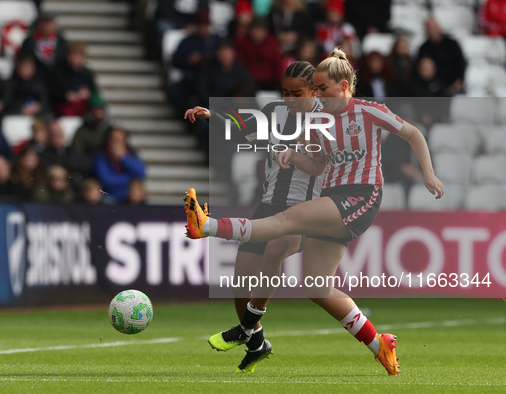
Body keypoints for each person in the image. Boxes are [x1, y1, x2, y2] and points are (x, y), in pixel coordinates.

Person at [183, 48, 445, 376]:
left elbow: (412, 133)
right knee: (315, 286)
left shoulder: (364, 111)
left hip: (353, 197)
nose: (311, 96)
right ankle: (379, 344)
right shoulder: (314, 122)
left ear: (337, 86)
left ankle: (207, 226)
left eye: (316, 89)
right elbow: (314, 161)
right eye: (295, 92)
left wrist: (428, 173)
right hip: (322, 199)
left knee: (281, 230)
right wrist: (292, 155)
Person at [184, 60, 324, 373]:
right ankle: (257, 342)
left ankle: (245, 329)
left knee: (276, 250)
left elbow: (328, 165)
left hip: (306, 209)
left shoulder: (327, 120)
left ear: (314, 90)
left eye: (296, 93)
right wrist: (212, 116)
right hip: (268, 205)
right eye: (285, 92)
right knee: (241, 281)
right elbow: (244, 126)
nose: (290, 99)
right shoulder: (275, 113)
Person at [93, 127, 146, 204]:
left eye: (118, 140)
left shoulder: (131, 154)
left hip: (130, 197)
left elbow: (142, 173)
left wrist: (123, 157)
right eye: (112, 139)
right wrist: (131, 178)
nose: (115, 143)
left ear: (125, 141)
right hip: (109, 196)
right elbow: (107, 180)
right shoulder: (101, 155)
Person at [417, 18, 466, 96]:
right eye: (428, 29)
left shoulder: (452, 44)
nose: (431, 31)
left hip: (452, 85)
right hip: (432, 86)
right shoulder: (424, 48)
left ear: (438, 27)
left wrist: (459, 81)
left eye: (433, 27)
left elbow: (461, 63)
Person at [47, 42, 97, 117]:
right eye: (74, 55)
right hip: (61, 109)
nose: (76, 58)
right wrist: (66, 96)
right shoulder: (57, 71)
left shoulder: (87, 73)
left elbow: (94, 91)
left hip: (83, 109)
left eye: (79, 55)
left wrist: (87, 93)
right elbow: (50, 91)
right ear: (68, 56)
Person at [20, 12, 67, 78]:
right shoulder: (30, 41)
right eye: (44, 23)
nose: (47, 26)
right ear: (39, 24)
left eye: (50, 23)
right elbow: (26, 59)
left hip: (56, 77)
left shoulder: (61, 41)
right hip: (36, 77)